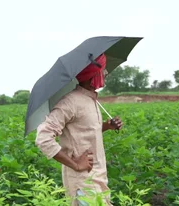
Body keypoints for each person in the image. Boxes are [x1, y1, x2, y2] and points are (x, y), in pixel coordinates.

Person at [35, 53, 122, 206]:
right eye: (103, 71)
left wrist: (107, 126)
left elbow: (83, 133)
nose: (105, 75)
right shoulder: (70, 103)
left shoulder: (90, 100)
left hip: (99, 178)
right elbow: (43, 138)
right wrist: (75, 164)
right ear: (93, 75)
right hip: (83, 183)